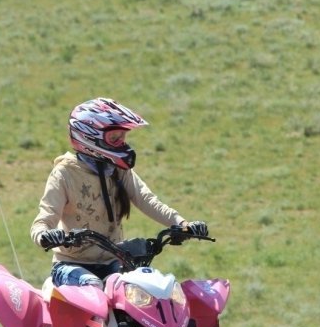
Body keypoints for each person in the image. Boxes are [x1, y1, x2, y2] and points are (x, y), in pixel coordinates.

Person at [30, 97, 208, 288]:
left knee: (140, 290)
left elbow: (147, 200)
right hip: (71, 266)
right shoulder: (65, 174)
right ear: (89, 138)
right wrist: (45, 235)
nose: (122, 144)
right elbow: (44, 219)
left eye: (123, 138)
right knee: (93, 286)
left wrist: (183, 224)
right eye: (115, 139)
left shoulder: (118, 170)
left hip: (113, 262)